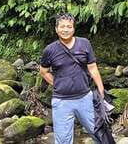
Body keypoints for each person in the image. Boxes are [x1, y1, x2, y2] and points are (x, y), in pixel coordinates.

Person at [40, 13, 106, 144]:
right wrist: (57, 83)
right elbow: (43, 71)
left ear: (73, 29)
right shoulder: (50, 50)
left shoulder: (84, 44)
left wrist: (101, 88)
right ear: (56, 29)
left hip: (85, 98)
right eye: (62, 26)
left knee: (99, 134)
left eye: (69, 27)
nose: (65, 29)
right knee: (63, 140)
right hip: (61, 102)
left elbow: (92, 67)